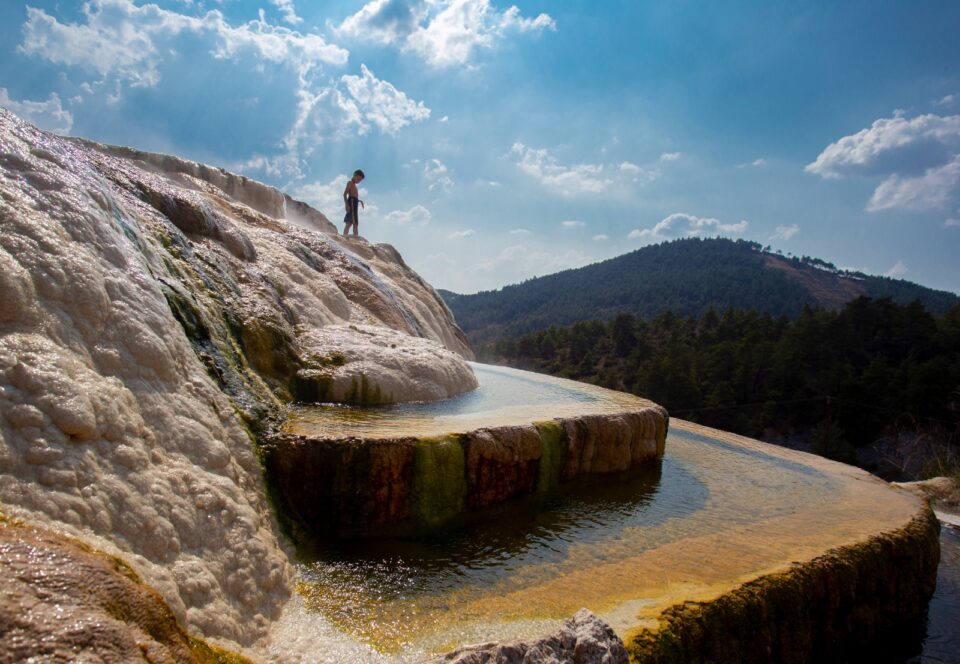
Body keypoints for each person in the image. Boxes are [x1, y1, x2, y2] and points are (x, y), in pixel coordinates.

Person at [343, 169, 365, 237]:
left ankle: (354, 237)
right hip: (351, 202)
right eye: (358, 179)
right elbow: (345, 194)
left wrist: (359, 201)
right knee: (351, 222)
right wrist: (346, 205)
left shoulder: (354, 185)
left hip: (354, 202)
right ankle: (346, 236)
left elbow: (354, 196)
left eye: (360, 180)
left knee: (354, 222)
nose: (359, 181)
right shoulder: (350, 183)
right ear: (354, 175)